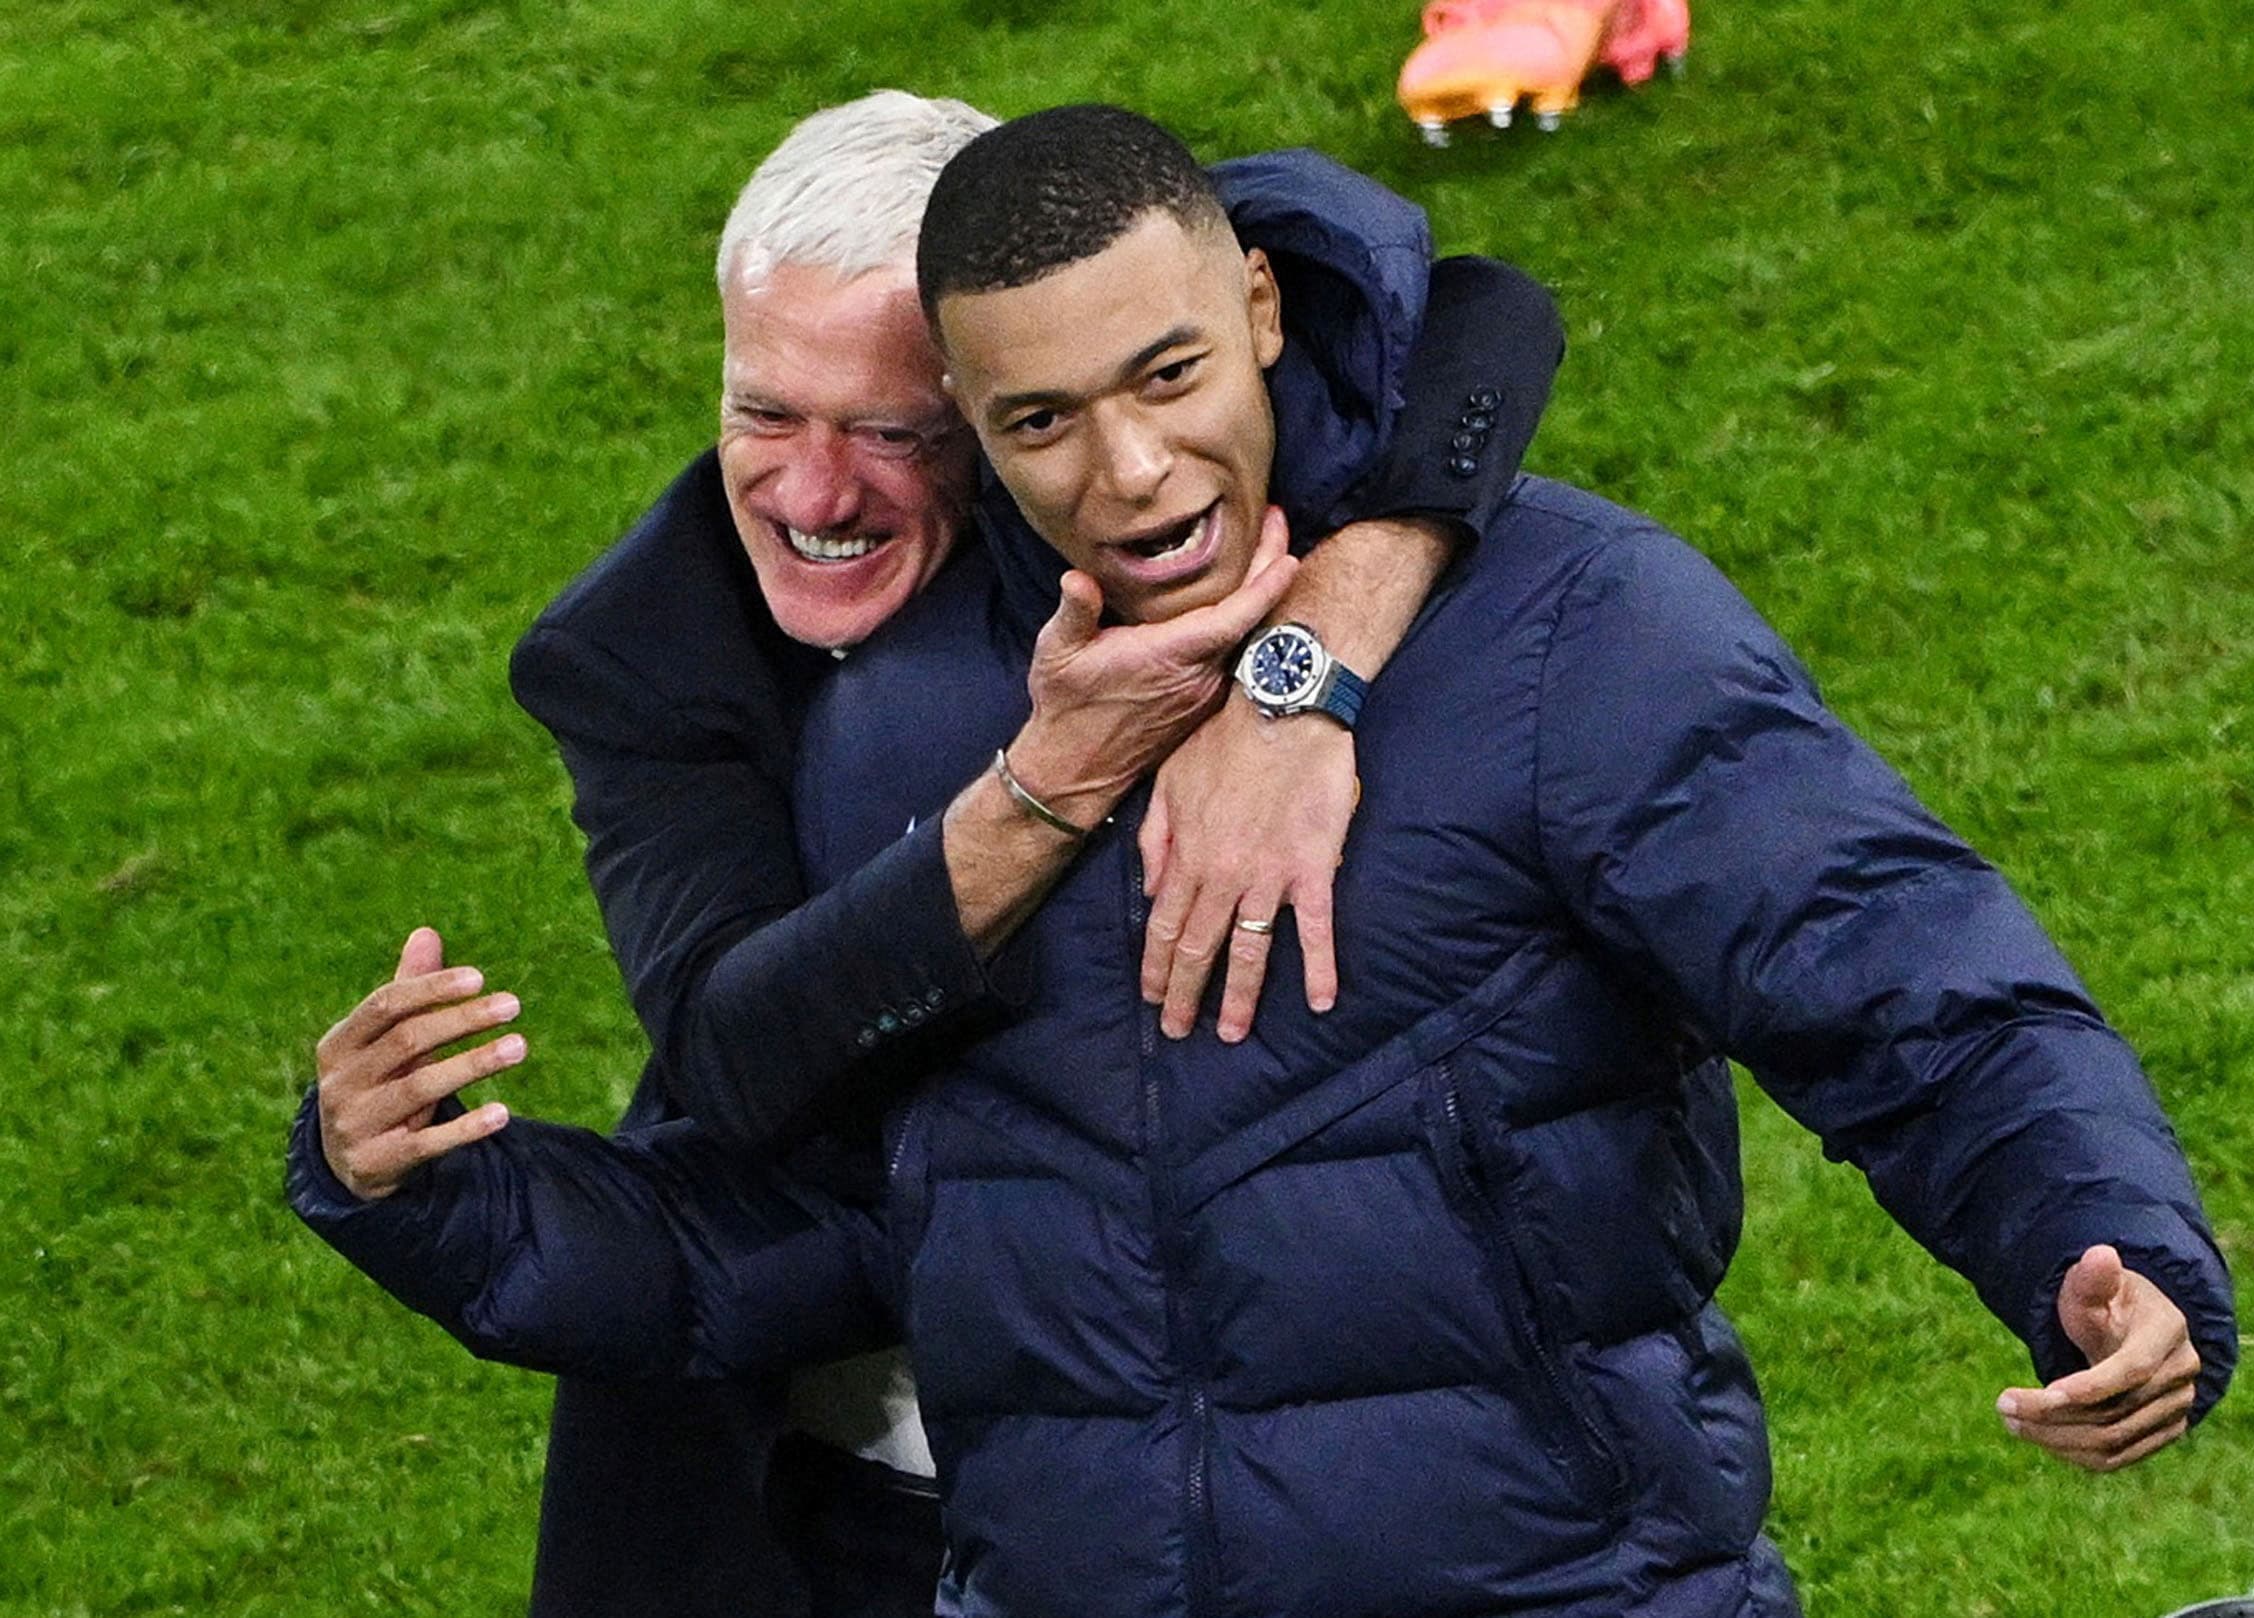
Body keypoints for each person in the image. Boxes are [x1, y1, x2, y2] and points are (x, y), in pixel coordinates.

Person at [295, 104, 2237, 1616]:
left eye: (1166, 379)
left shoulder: (1570, 629)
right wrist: (437, 1196)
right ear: (974, 421)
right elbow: (841, 1211)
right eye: (1042, 418)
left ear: (1261, 310)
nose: (1129, 470)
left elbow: (1891, 966)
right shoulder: (897, 731)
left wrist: (2099, 1239)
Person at [305, 92, 1564, 1618]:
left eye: (892, 433)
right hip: (832, 1452)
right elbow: (738, 1057)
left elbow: (1479, 318)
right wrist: (1048, 786)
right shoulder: (646, 653)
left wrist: (1319, 651)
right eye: (764, 412)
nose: (813, 494)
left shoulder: (1137, 420)